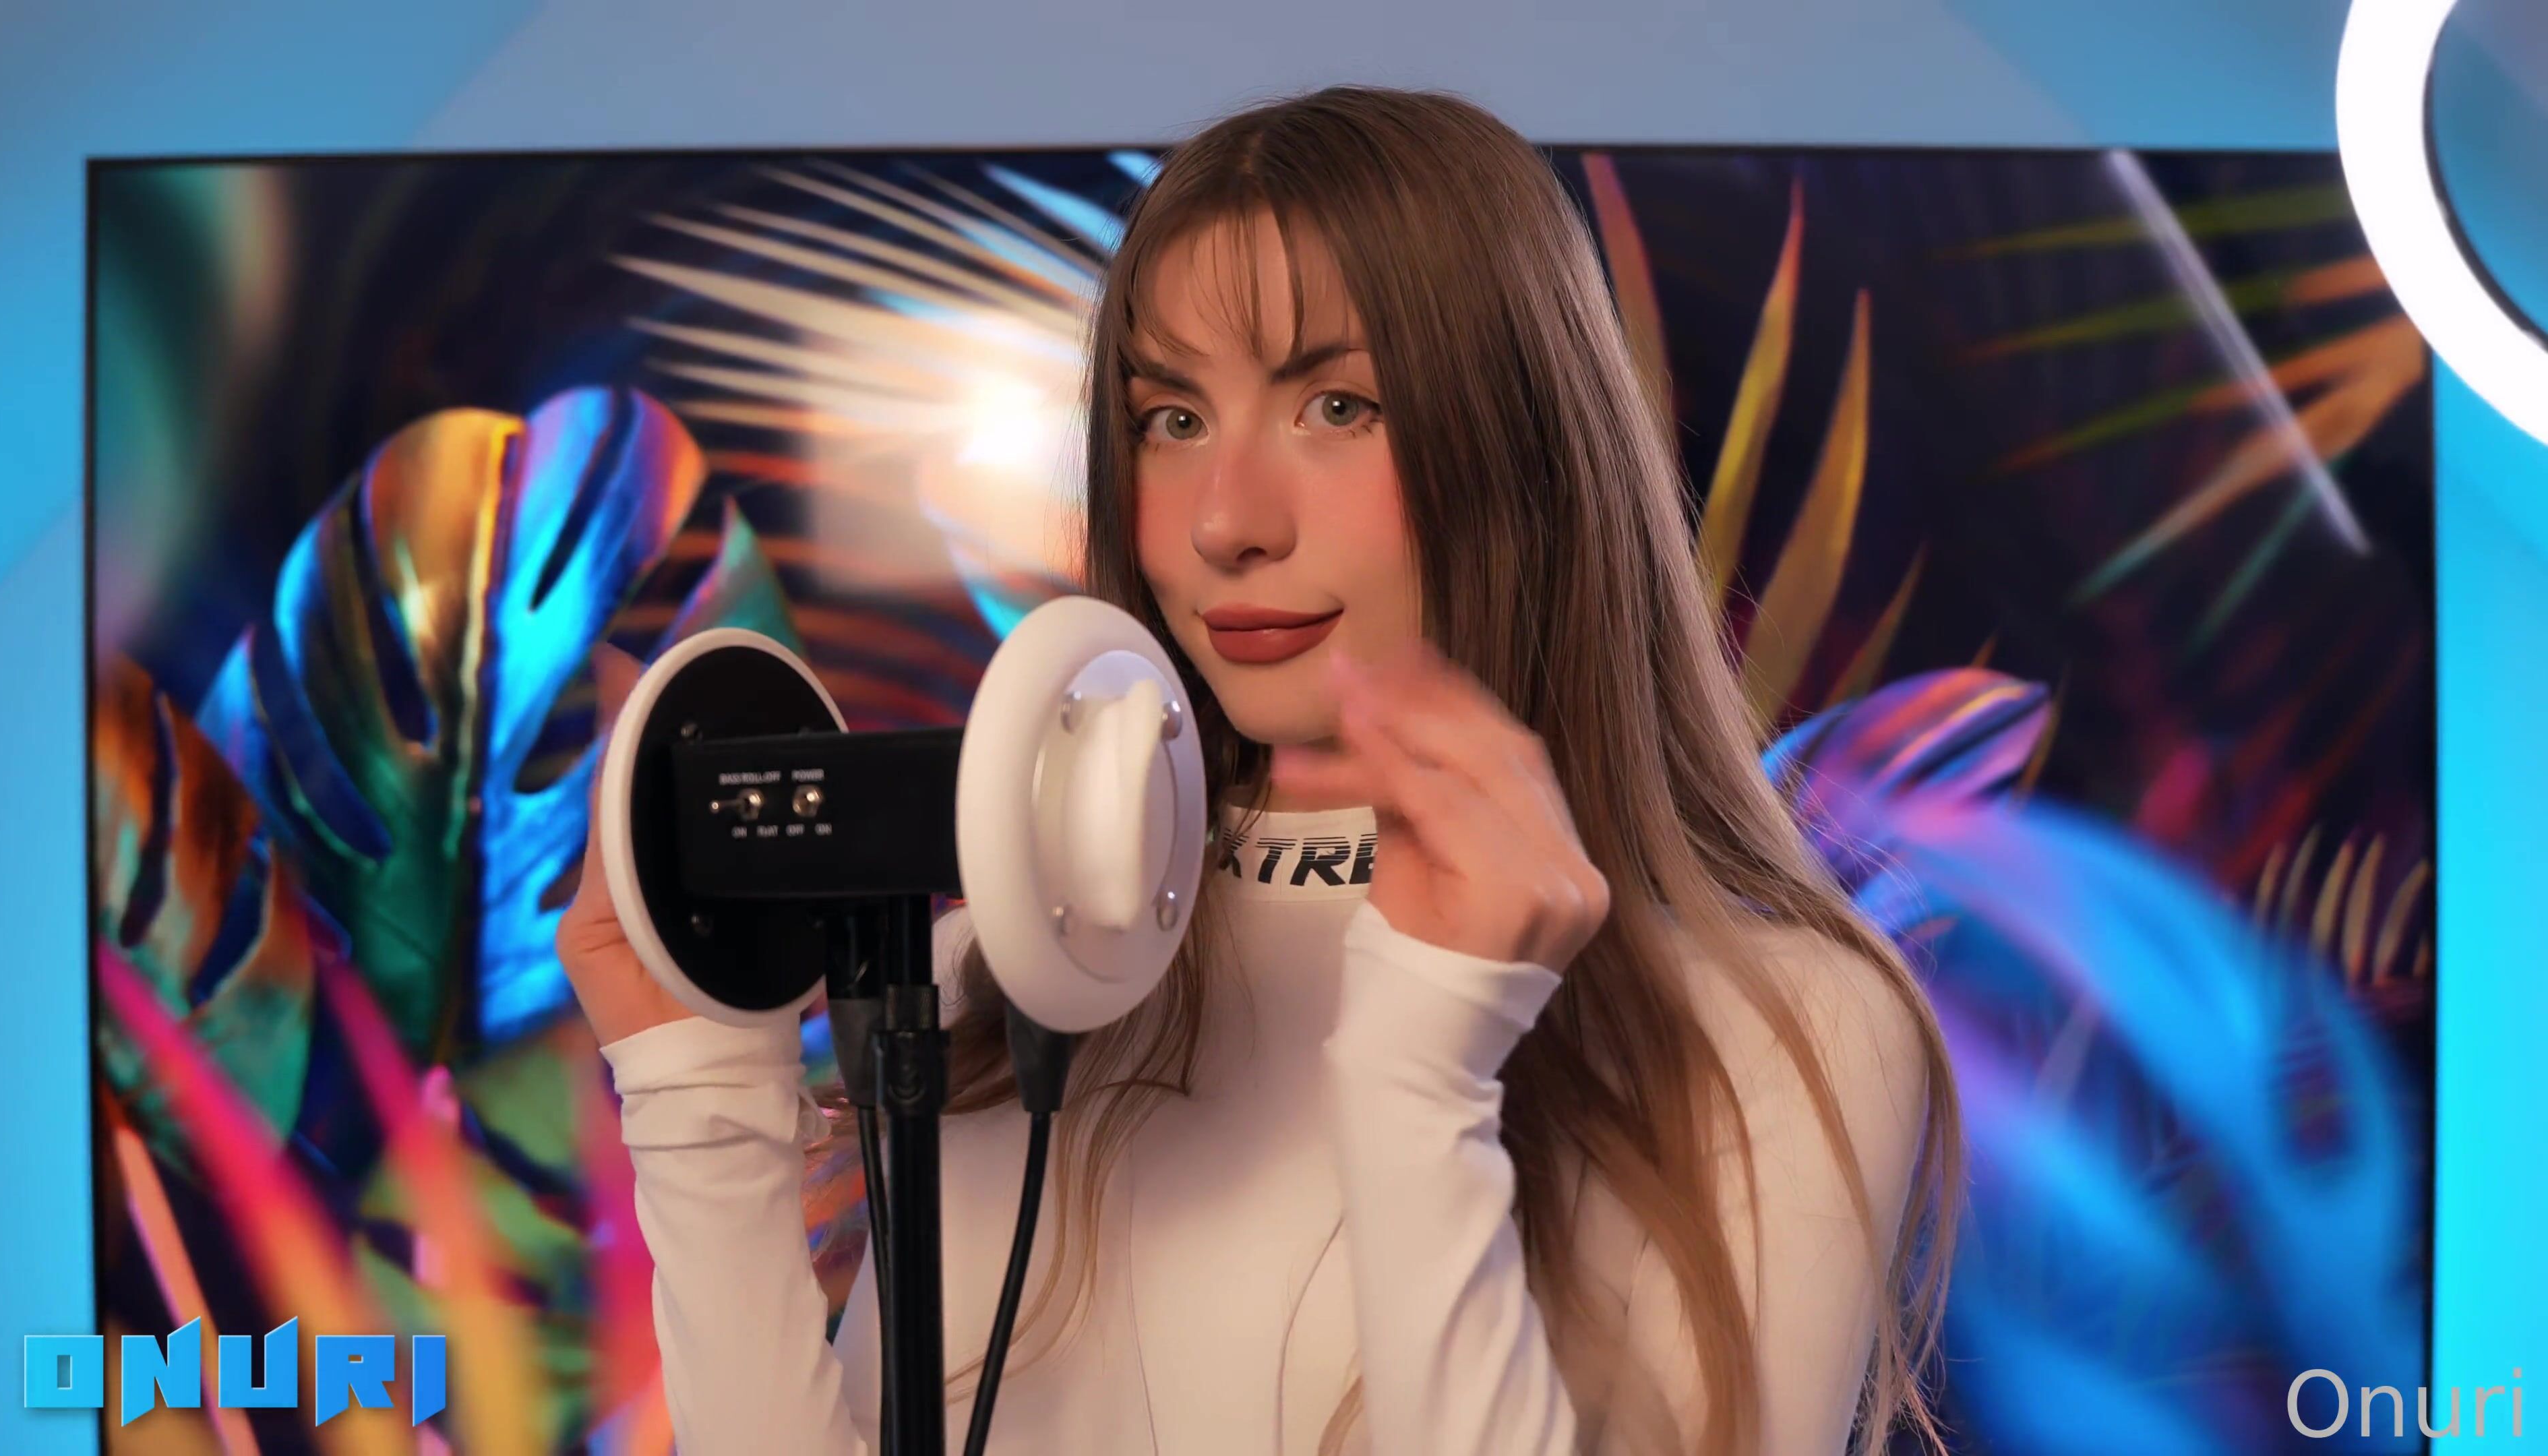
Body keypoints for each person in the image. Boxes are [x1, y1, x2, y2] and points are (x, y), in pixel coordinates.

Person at [559, 84, 1963, 1455]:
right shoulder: (1009, 977)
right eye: (1171, 420)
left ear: (1526, 451)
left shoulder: (1793, 1031)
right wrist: (696, 1094)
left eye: (1338, 406)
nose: (1225, 522)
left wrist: (1424, 1077)